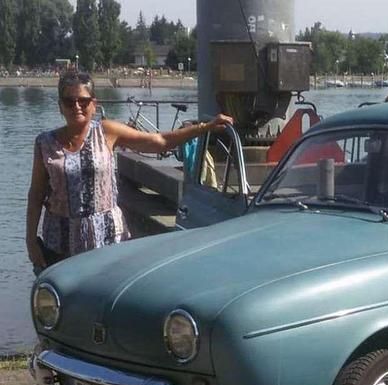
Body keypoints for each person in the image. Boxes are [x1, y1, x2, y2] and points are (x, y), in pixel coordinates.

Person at [26, 71, 233, 273]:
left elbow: (159, 141)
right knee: (59, 303)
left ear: (94, 104)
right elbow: (36, 196)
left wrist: (205, 127)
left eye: (83, 101)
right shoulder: (45, 143)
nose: (77, 106)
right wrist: (31, 241)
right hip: (60, 242)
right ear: (60, 106)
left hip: (106, 239)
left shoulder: (106, 132)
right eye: (69, 101)